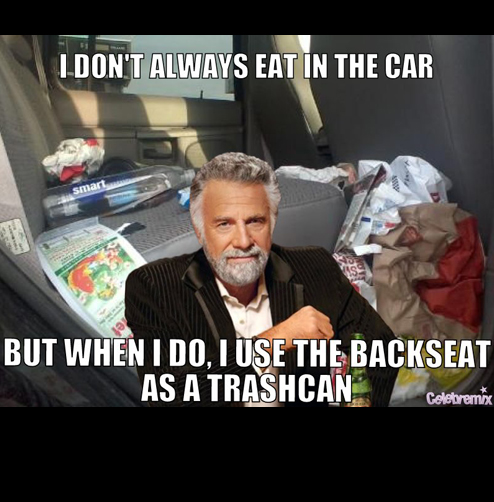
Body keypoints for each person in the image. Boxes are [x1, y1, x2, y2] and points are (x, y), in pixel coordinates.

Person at [125, 153, 399, 407]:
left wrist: (357, 401)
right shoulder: (154, 286)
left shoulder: (315, 268)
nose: (243, 241)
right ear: (200, 230)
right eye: (224, 224)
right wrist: (274, 340)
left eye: (255, 221)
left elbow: (381, 350)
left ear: (272, 222)